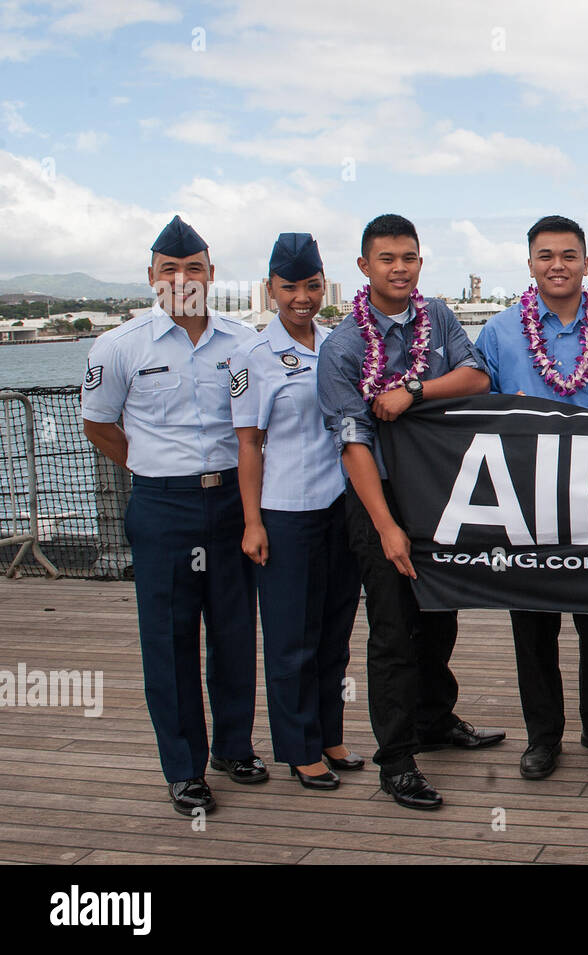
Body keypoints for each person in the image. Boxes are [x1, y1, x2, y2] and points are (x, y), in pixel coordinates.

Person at [317, 213, 503, 810]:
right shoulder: (343, 348)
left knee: (442, 615)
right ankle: (395, 760)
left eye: (409, 258)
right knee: (393, 630)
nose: (399, 269)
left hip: (441, 492)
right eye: (387, 259)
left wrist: (415, 390)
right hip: (382, 498)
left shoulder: (439, 317)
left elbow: (476, 376)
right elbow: (353, 444)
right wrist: (387, 526)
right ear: (364, 267)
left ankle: (434, 719)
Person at [81, 215, 264, 816]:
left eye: (193, 268)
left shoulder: (243, 342)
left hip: (235, 503)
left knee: (235, 632)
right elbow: (98, 426)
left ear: (211, 274)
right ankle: (184, 768)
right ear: (151, 278)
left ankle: (234, 748)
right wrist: (151, 466)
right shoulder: (118, 347)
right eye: (169, 270)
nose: (182, 278)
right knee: (170, 637)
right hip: (163, 507)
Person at [476, 214, 588, 780]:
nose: (557, 265)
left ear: (586, 263)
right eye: (546, 255)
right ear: (529, 264)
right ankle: (543, 736)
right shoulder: (497, 334)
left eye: (569, 255)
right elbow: (477, 414)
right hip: (524, 503)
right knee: (533, 623)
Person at [231, 233, 362, 791]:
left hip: (340, 507)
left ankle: (329, 734)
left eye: (311, 285)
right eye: (290, 287)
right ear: (271, 290)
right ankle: (298, 747)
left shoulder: (337, 345)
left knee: (334, 634)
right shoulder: (252, 358)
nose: (302, 296)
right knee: (291, 638)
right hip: (286, 511)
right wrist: (252, 521)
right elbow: (247, 444)